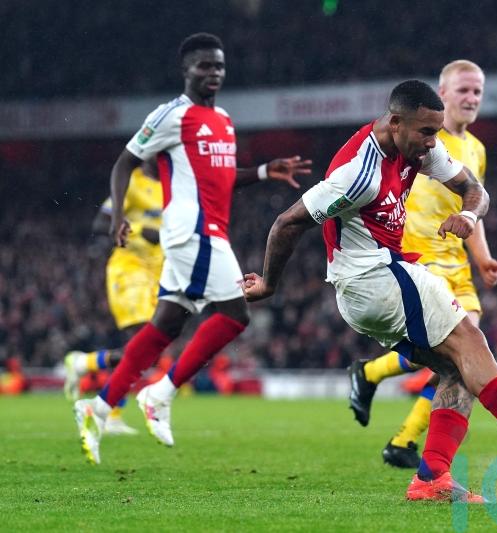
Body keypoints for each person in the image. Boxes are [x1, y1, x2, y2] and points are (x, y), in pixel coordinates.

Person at [242, 80, 497, 502]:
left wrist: (468, 217)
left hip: (379, 281)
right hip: (374, 279)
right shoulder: (359, 173)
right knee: (470, 339)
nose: (433, 142)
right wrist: (269, 283)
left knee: (457, 369)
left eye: (436, 132)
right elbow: (287, 222)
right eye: (426, 132)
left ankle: (431, 478)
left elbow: (474, 189)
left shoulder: (418, 148)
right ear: (395, 122)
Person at [73, 33, 312, 465]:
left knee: (164, 326)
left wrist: (262, 170)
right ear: (186, 70)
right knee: (236, 313)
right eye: (204, 65)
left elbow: (221, 178)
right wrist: (116, 218)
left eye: (219, 66)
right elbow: (125, 161)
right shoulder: (171, 115)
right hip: (193, 232)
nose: (213, 73)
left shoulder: (222, 119)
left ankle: (99, 405)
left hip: (207, 232)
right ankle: (160, 395)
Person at [347, 60, 497, 469]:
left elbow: (471, 205)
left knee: (458, 355)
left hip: (457, 263)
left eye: (478, 92)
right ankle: (405, 439)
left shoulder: (477, 149)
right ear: (443, 92)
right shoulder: (422, 140)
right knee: (457, 351)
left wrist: (483, 257)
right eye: (463, 90)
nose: (471, 99)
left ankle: (375, 384)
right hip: (419, 256)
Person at [64, 158, 163, 436]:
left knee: (149, 353)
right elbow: (100, 222)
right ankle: (108, 413)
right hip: (129, 268)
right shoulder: (131, 184)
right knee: (141, 342)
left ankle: (85, 364)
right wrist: (142, 230)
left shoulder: (173, 187)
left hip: (159, 273)